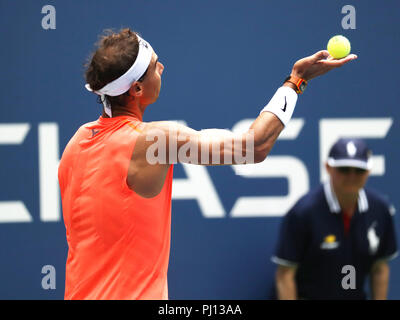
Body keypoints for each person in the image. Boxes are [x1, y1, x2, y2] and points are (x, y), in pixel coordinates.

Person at [58, 28, 357, 299]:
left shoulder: (76, 143)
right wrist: (296, 81)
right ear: (136, 89)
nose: (162, 68)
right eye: (154, 67)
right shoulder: (153, 141)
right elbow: (253, 147)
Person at [272, 138, 398, 300]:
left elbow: (379, 268)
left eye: (359, 170)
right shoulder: (303, 212)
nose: (351, 176)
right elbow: (285, 275)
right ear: (328, 168)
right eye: (344, 169)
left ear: (368, 171)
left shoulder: (380, 210)